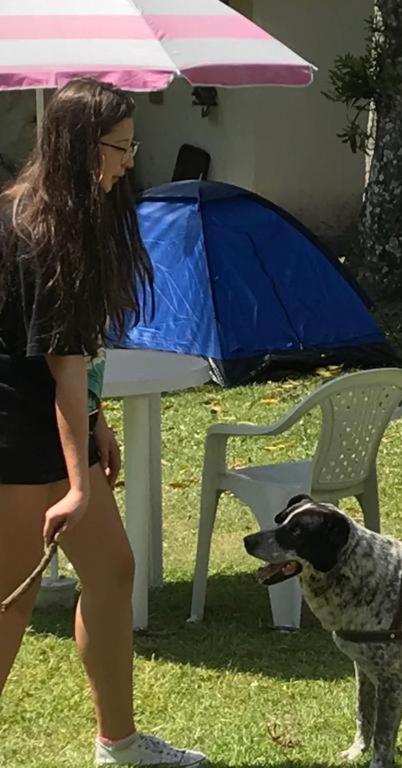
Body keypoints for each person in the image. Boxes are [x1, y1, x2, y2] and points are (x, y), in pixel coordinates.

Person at [0, 78, 206, 767]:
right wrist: (79, 484)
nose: (128, 162)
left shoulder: (66, 218)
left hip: (54, 425)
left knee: (113, 571)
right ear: (81, 147)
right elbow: (61, 368)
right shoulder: (39, 231)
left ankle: (118, 745)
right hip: (16, 433)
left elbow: (75, 359)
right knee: (13, 600)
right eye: (119, 148)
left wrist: (97, 422)